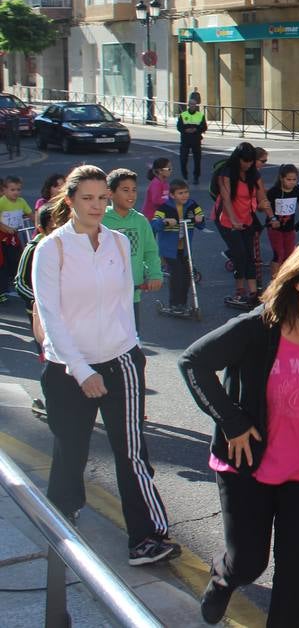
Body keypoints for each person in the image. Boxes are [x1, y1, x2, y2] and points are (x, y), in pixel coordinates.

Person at [179, 236, 299, 625]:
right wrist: (232, 422)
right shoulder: (258, 328)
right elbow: (193, 363)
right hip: (249, 462)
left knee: (297, 569)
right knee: (248, 563)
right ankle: (223, 577)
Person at [34, 166, 178, 566]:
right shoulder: (52, 249)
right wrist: (82, 371)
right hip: (68, 370)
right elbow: (50, 316)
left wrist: (127, 351)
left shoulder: (117, 241)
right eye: (88, 199)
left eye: (102, 198)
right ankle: (63, 513)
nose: (97, 206)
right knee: (71, 448)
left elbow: (121, 303)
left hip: (120, 362)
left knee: (131, 450)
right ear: (70, 201)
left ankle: (146, 536)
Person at [16, 202, 70, 419]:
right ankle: (51, 403)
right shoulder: (34, 248)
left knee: (65, 357)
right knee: (50, 359)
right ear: (43, 227)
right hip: (39, 317)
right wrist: (40, 301)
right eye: (56, 225)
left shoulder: (65, 246)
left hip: (64, 314)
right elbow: (20, 283)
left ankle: (69, 400)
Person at [104, 169, 164, 328]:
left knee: (132, 340)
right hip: (105, 296)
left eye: (134, 190)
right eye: (125, 190)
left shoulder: (140, 220)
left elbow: (150, 251)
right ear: (110, 193)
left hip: (132, 294)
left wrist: (154, 274)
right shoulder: (100, 220)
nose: (131, 195)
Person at [214, 144, 263, 307]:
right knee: (240, 255)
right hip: (228, 221)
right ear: (238, 158)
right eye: (245, 161)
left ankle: (254, 293)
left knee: (250, 256)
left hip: (246, 219)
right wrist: (234, 220)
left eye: (251, 162)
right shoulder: (226, 173)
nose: (248, 164)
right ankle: (239, 292)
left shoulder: (252, 173)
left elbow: (261, 193)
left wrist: (270, 212)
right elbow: (226, 199)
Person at [151, 179, 207, 317]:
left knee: (187, 275)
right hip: (169, 250)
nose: (184, 195)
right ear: (172, 195)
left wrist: (200, 219)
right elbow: (154, 225)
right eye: (180, 193)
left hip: (185, 248)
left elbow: (201, 223)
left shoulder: (192, 205)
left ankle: (182, 303)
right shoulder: (164, 208)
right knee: (177, 275)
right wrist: (164, 222)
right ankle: (174, 304)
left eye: (186, 192)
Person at [265, 165, 299, 280]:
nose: (292, 182)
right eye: (288, 179)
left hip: (289, 228)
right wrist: (272, 218)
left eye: (294, 180)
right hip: (275, 228)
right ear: (281, 178)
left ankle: (285, 278)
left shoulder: (297, 190)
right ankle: (275, 281)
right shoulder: (274, 192)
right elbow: (266, 206)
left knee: (289, 254)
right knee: (279, 254)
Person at [0, 174, 34, 301]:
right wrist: (6, 228)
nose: (16, 192)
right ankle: (1, 291)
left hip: (13, 236)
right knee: (2, 264)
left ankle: (18, 284)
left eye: (18, 189)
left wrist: (40, 222)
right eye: (12, 189)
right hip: (2, 237)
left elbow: (30, 215)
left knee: (16, 260)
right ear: (4, 190)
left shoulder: (21, 202)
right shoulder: (2, 202)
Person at [177, 92, 207, 184]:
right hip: (185, 140)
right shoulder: (183, 115)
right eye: (191, 104)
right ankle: (184, 175)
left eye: (194, 104)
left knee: (197, 160)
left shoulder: (200, 115)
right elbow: (179, 127)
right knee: (183, 159)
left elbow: (204, 127)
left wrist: (196, 130)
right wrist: (186, 130)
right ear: (188, 105)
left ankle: (196, 177)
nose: (193, 106)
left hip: (196, 140)